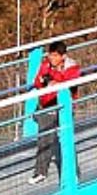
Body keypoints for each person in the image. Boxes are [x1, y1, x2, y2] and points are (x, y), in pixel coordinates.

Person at [28, 42, 83, 184]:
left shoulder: (72, 67)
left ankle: (74, 173)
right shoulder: (45, 65)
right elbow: (37, 82)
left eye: (55, 55)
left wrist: (54, 79)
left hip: (63, 106)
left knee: (67, 139)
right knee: (44, 138)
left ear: (63, 56)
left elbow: (70, 82)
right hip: (46, 105)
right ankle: (40, 172)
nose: (52, 58)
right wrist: (45, 80)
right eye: (50, 55)